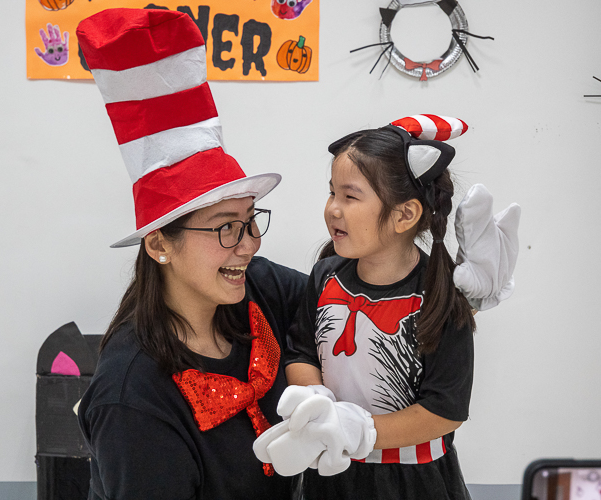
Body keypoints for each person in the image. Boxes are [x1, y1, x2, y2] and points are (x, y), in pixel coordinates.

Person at [75, 8, 519, 500]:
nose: (249, 244)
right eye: (225, 228)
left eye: (250, 221)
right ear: (159, 243)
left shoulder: (257, 287)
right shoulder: (132, 398)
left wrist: (464, 293)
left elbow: (376, 291)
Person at [253, 116, 518, 499]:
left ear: (404, 214)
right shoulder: (325, 276)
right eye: (332, 193)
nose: (333, 209)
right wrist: (318, 406)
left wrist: (361, 430)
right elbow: (300, 351)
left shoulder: (441, 295)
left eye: (350, 196)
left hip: (414, 481)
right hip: (332, 475)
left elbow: (445, 411)